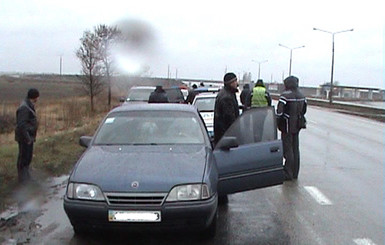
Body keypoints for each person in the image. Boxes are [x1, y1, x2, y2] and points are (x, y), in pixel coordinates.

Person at [276, 76, 307, 181]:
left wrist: (277, 122)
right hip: (297, 125)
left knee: (288, 149)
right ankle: (295, 173)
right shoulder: (302, 95)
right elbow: (304, 110)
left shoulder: (285, 96)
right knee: (295, 148)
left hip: (287, 125)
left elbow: (279, 112)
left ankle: (288, 172)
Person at [15, 88, 40, 184]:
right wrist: (28, 138)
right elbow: (21, 125)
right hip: (25, 138)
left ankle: (26, 178)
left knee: (27, 158)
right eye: (37, 97)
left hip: (29, 137)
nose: (38, 99)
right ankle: (22, 180)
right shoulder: (24, 108)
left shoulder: (28, 105)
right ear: (34, 97)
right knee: (23, 159)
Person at [214, 72, 239, 145]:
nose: (236, 83)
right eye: (235, 81)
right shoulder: (227, 98)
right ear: (230, 83)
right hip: (226, 138)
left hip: (222, 136)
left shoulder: (226, 93)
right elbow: (230, 119)